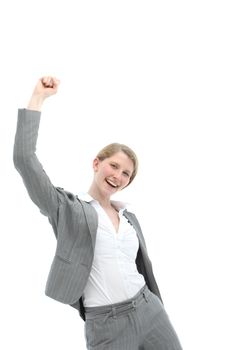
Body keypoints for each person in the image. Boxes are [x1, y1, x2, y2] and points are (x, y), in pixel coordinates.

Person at [13, 76, 183, 350]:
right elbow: (24, 160)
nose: (118, 176)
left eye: (126, 173)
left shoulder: (129, 218)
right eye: (114, 166)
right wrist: (37, 99)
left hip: (149, 310)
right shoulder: (67, 208)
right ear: (96, 163)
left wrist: (153, 302)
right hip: (107, 325)